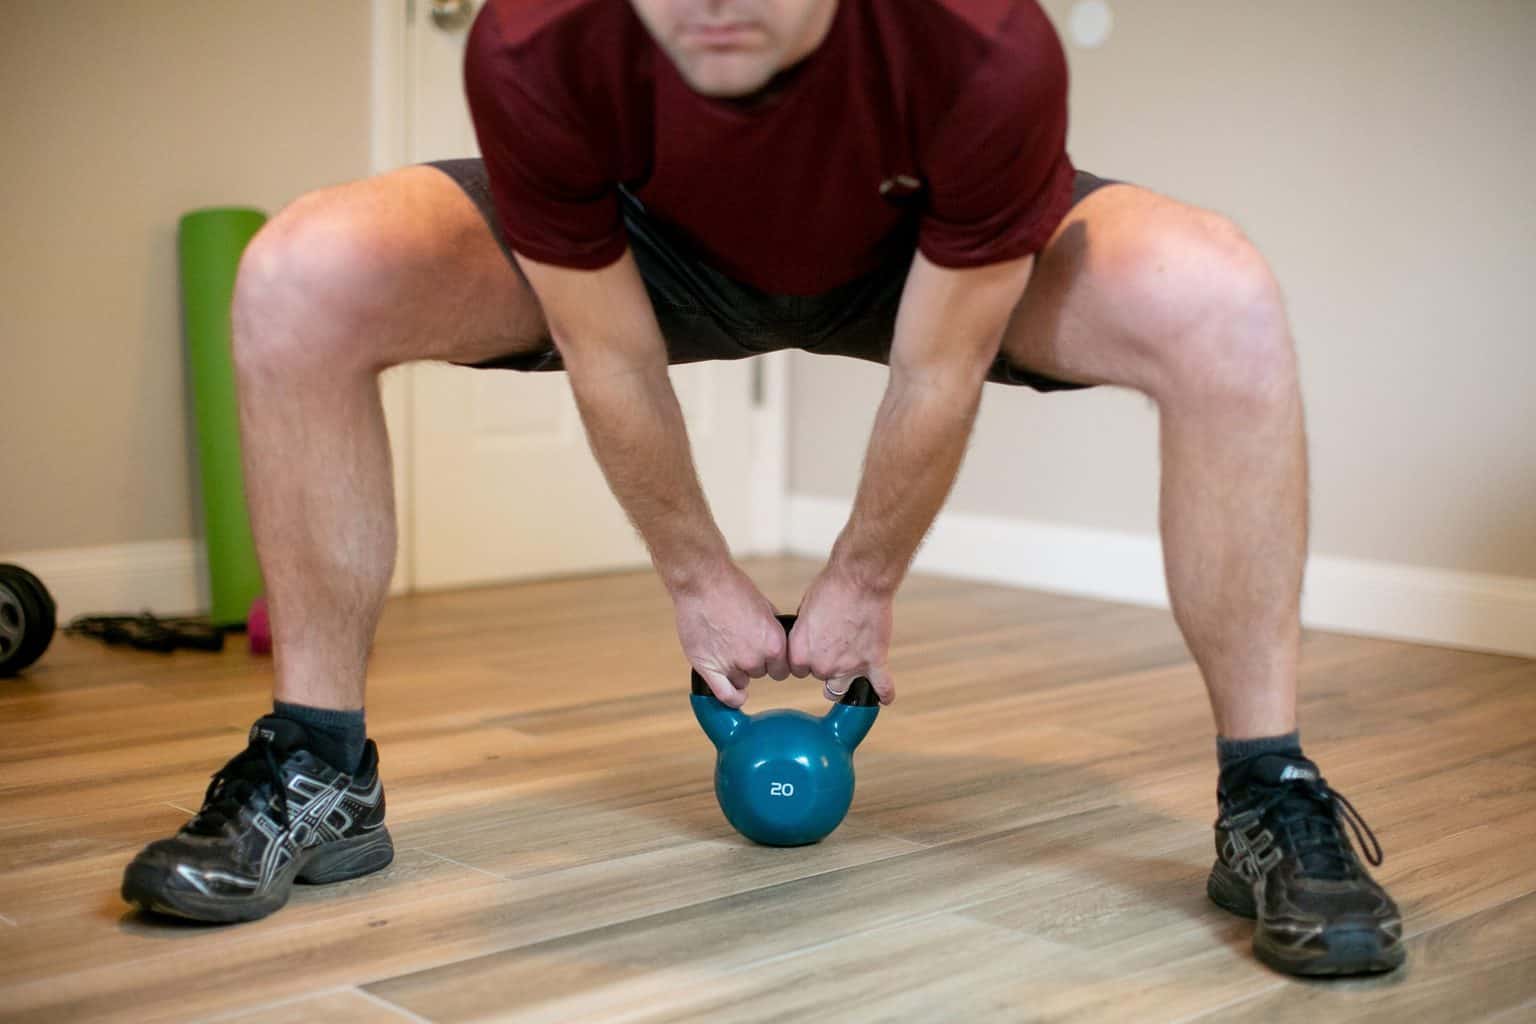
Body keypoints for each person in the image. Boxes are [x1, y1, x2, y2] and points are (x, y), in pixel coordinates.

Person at [122, 0, 1402, 977]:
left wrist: (861, 578)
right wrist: (698, 576)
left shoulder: (980, 44)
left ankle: (1268, 791)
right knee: (302, 276)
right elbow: (609, 351)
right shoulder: (541, 39)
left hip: (916, 254)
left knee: (1218, 298)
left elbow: (934, 366)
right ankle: (318, 768)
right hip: (643, 244)